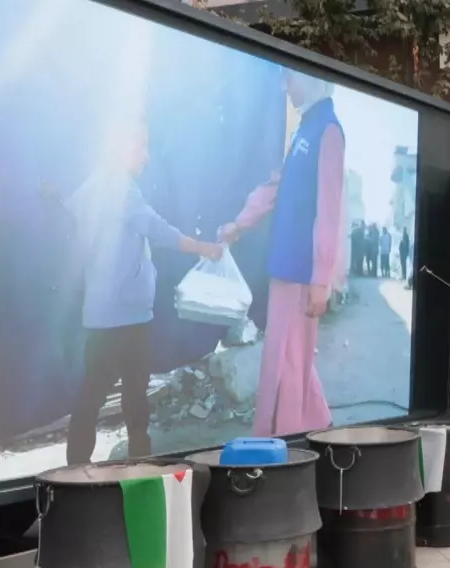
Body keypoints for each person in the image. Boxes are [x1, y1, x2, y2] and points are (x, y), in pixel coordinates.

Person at [65, 119, 223, 465]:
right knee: (134, 400)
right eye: (141, 146)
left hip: (101, 315)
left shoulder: (91, 188)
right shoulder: (120, 190)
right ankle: (140, 469)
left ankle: (75, 473)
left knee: (91, 398)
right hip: (127, 317)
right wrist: (203, 247)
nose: (146, 156)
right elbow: (158, 229)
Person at [219, 68, 344, 436]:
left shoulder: (328, 131)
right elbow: (275, 189)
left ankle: (284, 442)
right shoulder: (303, 130)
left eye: (290, 79)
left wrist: (321, 279)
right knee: (288, 355)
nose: (285, 87)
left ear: (311, 78)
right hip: (285, 264)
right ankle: (313, 426)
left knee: (289, 359)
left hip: (303, 271)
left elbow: (329, 211)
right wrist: (239, 224)